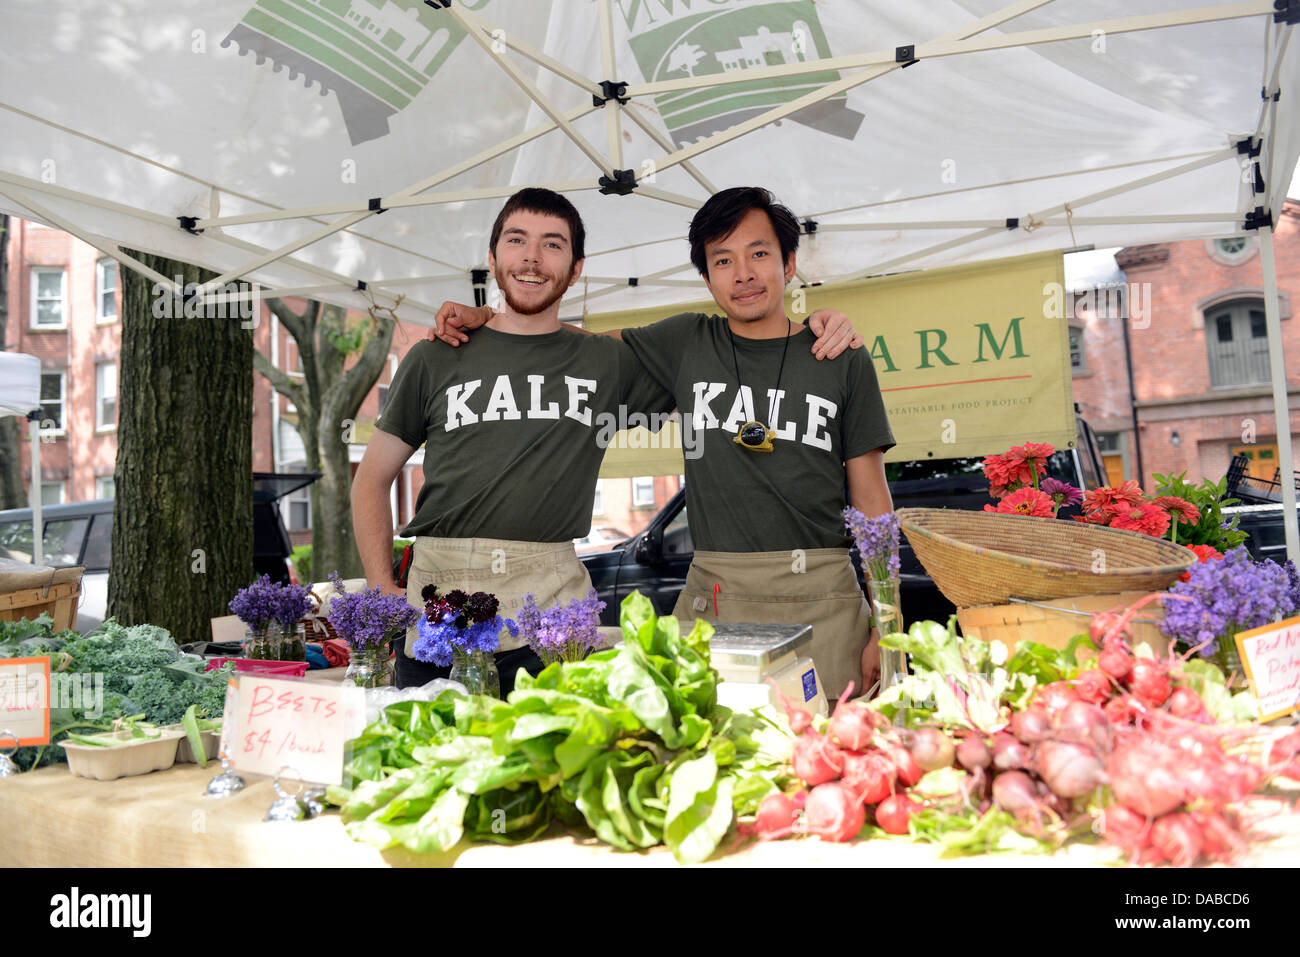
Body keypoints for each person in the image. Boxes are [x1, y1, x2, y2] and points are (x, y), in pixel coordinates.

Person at [430, 187, 894, 700]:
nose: (742, 273)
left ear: (789, 264)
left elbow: (873, 504)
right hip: (717, 597)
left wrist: (888, 627)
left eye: (759, 254)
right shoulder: (687, 342)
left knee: (827, 756)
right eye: (723, 260)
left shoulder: (840, 356)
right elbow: (571, 350)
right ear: (706, 277)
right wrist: (491, 321)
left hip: (824, 598)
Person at [351, 188, 678, 692]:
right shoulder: (436, 356)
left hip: (552, 611)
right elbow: (371, 481)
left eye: (552, 244)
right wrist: (380, 585)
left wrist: (812, 325)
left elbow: (718, 358)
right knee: (433, 763)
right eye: (516, 240)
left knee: (558, 766)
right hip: (440, 606)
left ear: (576, 268)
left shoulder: (607, 361)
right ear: (492, 258)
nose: (531, 257)